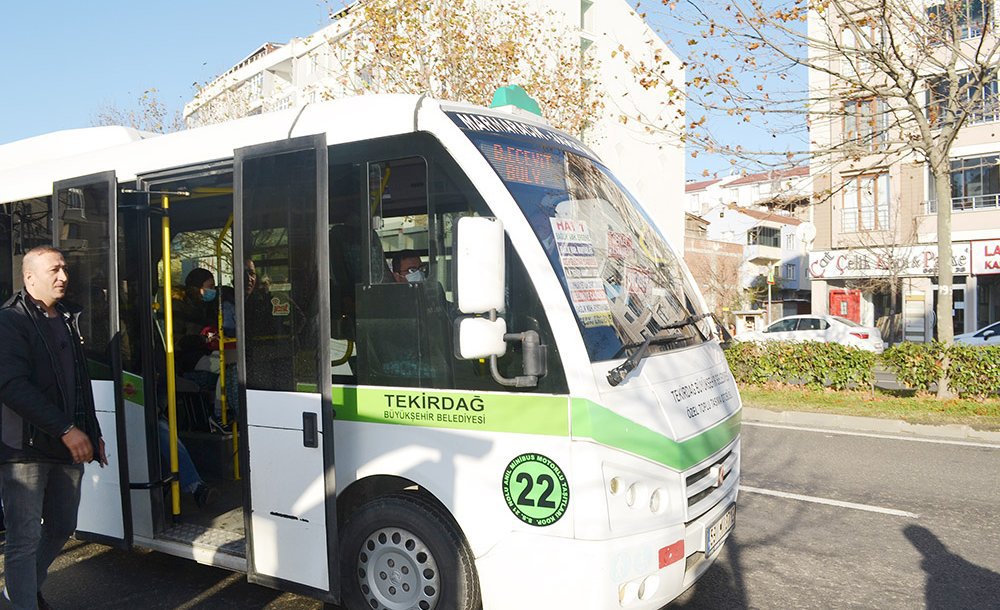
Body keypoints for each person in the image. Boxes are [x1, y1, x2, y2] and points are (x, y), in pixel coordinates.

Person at [0, 246, 107, 610]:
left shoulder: (65, 318)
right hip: (23, 450)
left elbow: (78, 383)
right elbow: (12, 386)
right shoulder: (10, 321)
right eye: (54, 270)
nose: (63, 276)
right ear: (29, 277)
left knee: (62, 525)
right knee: (23, 538)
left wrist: (91, 431)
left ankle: (19, 591)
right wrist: (66, 428)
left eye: (64, 269)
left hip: (65, 444)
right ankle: (23, 601)